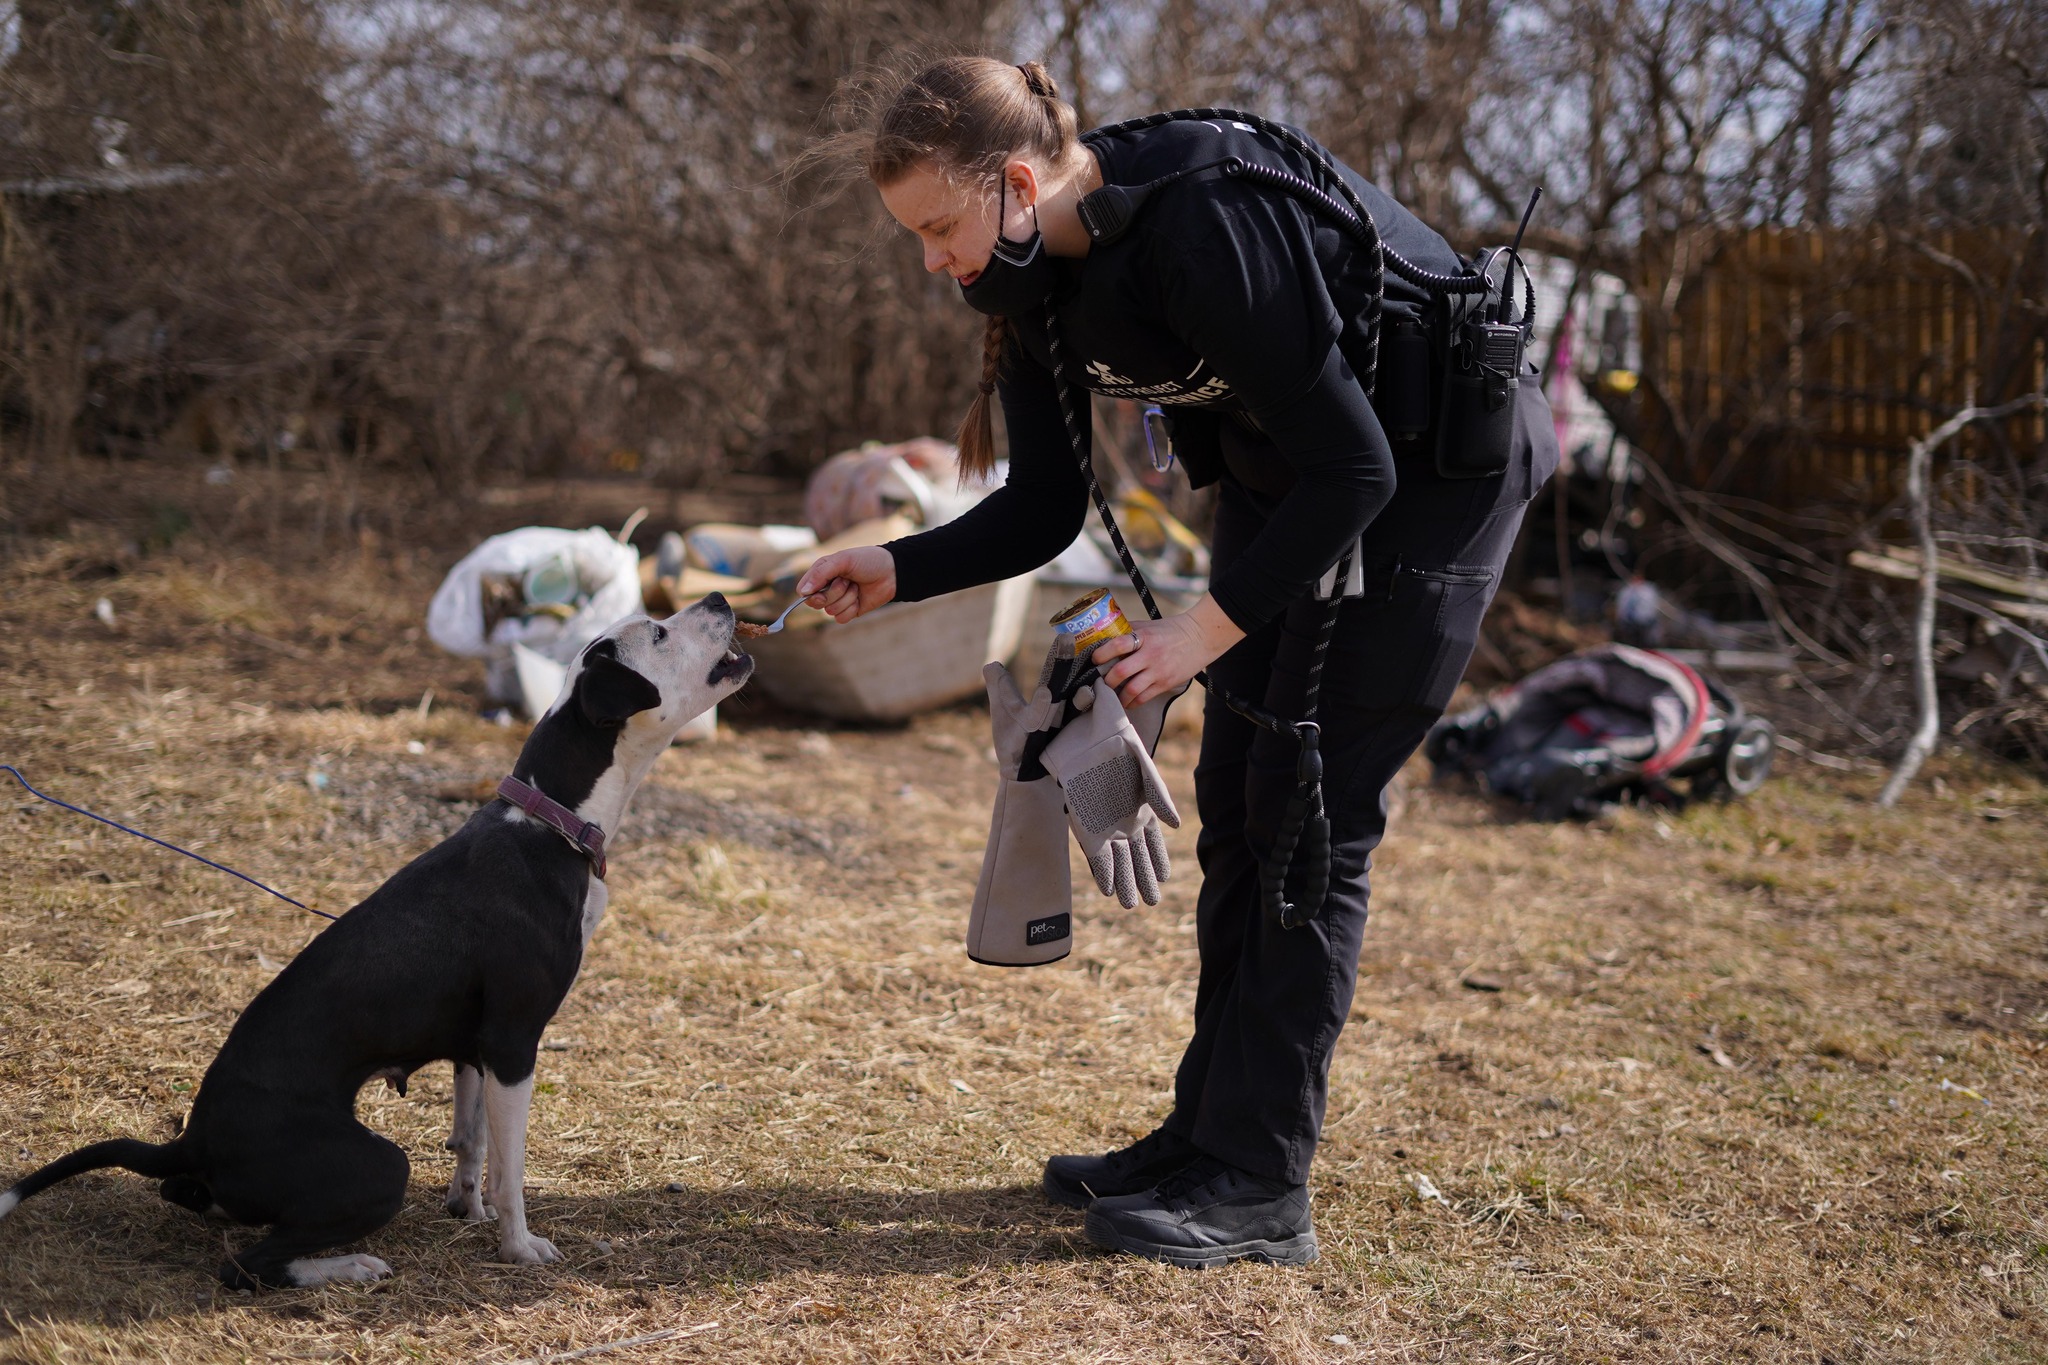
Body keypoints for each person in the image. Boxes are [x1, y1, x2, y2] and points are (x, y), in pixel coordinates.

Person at [797, 56, 1559, 1268]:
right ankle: (1203, 1141)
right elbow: (1047, 506)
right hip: (1292, 477)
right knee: (1236, 804)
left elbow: (1358, 471)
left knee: (1308, 814)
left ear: (1010, 180)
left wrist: (1200, 631)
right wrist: (901, 567)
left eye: (938, 229)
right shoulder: (1027, 277)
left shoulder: (1201, 222)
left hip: (1427, 480)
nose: (931, 261)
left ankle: (1259, 1184)